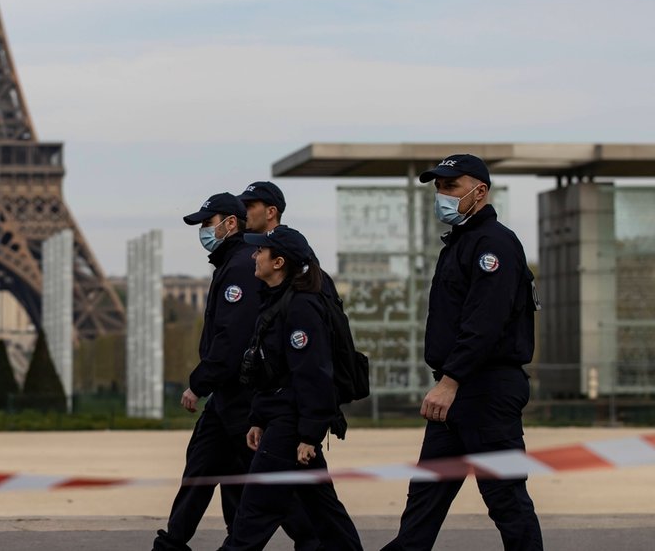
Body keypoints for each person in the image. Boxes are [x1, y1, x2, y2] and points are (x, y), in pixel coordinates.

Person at [381, 155, 543, 550]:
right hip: (457, 391)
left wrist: (451, 380)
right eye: (438, 187)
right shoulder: (461, 243)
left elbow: (485, 322)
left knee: (505, 499)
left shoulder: (493, 243)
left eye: (451, 186)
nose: (442, 195)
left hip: (482, 389)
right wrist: (448, 383)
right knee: (424, 501)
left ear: (480, 192)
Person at [154, 193, 318, 551]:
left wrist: (199, 383)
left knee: (262, 484)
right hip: (229, 396)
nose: (203, 231)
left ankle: (311, 541)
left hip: (239, 395)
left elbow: (233, 337)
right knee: (203, 469)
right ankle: (173, 543)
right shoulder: (235, 261)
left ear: (230, 223)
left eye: (206, 223)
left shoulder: (242, 264)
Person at [223, 225, 363, 551]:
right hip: (283, 419)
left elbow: (312, 374)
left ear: (278, 262)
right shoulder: (275, 302)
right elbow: (269, 373)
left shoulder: (300, 307)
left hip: (291, 423)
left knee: (255, 510)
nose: (254, 256)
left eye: (261, 251)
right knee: (323, 509)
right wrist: (258, 418)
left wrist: (309, 434)